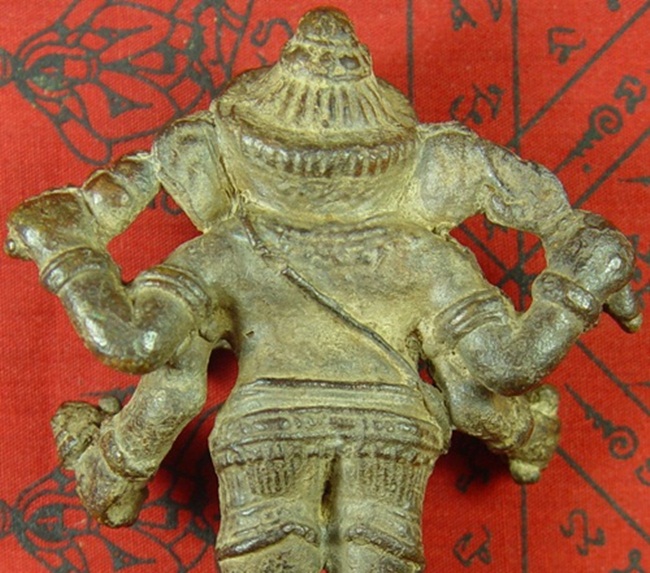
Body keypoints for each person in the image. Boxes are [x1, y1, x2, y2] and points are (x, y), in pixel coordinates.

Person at [5, 8, 640, 573]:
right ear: (405, 160)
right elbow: (499, 370)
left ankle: (108, 469)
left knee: (257, 541)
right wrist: (583, 278)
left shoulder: (226, 250)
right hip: (394, 435)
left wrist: (65, 247)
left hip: (265, 437)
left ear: (233, 153)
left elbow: (139, 347)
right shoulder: (425, 257)